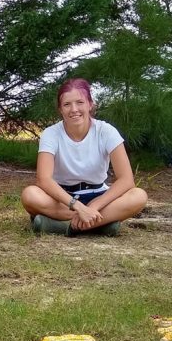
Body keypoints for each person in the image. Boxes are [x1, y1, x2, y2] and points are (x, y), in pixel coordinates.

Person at [21, 78, 147, 236]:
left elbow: (126, 179)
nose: (74, 109)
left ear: (90, 104)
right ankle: (101, 224)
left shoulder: (106, 131)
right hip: (63, 199)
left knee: (139, 196)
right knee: (30, 195)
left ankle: (60, 225)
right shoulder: (50, 134)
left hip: (99, 197)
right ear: (60, 109)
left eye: (80, 102)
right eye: (67, 104)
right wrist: (78, 207)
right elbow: (43, 180)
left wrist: (94, 206)